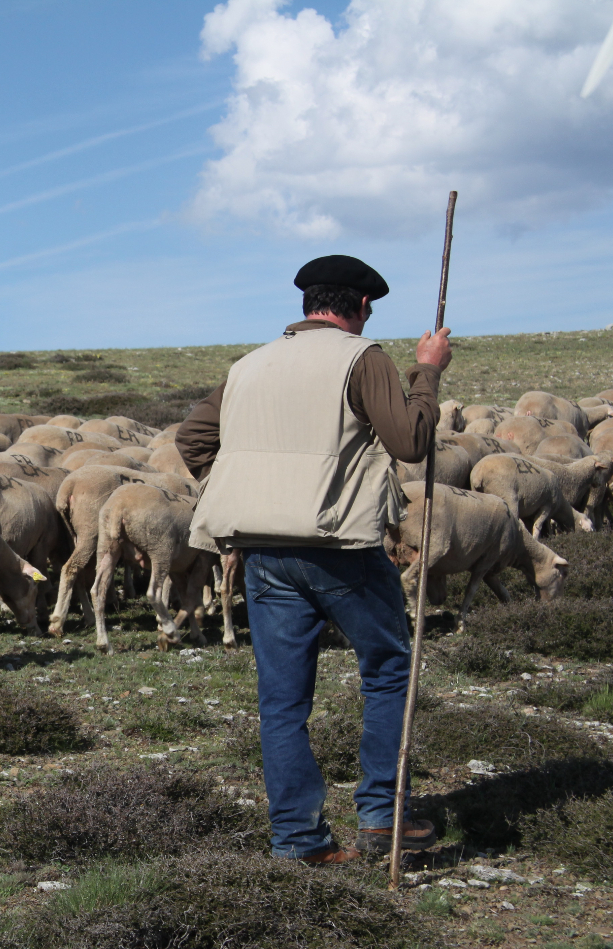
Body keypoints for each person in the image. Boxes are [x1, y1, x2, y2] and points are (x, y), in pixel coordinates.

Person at [175, 254, 453, 865]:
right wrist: (427, 373)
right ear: (360, 307)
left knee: (281, 700)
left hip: (264, 554)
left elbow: (192, 440)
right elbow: (410, 440)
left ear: (307, 306)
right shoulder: (363, 358)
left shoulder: (248, 365)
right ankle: (383, 816)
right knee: (387, 668)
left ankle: (299, 841)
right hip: (338, 551)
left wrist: (249, 490)